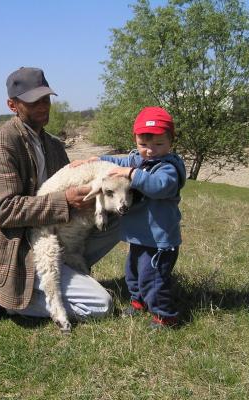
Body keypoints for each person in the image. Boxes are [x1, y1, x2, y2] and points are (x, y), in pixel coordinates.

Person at [0, 67, 114, 326]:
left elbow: (74, 183)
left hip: (51, 233)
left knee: (118, 214)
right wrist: (66, 201)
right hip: (14, 242)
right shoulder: (1, 145)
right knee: (101, 305)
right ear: (12, 105)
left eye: (46, 99)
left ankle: (148, 284)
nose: (43, 106)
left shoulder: (53, 145)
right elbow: (4, 210)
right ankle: (8, 299)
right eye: (33, 100)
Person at [72, 106, 186, 328]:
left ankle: (165, 315)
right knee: (133, 272)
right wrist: (96, 160)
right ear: (135, 140)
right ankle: (138, 302)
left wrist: (133, 174)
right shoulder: (139, 160)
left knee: (152, 277)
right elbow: (121, 163)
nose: (150, 151)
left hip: (159, 240)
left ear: (171, 142)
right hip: (140, 237)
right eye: (143, 145)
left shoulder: (168, 168)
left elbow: (158, 187)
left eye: (158, 144)